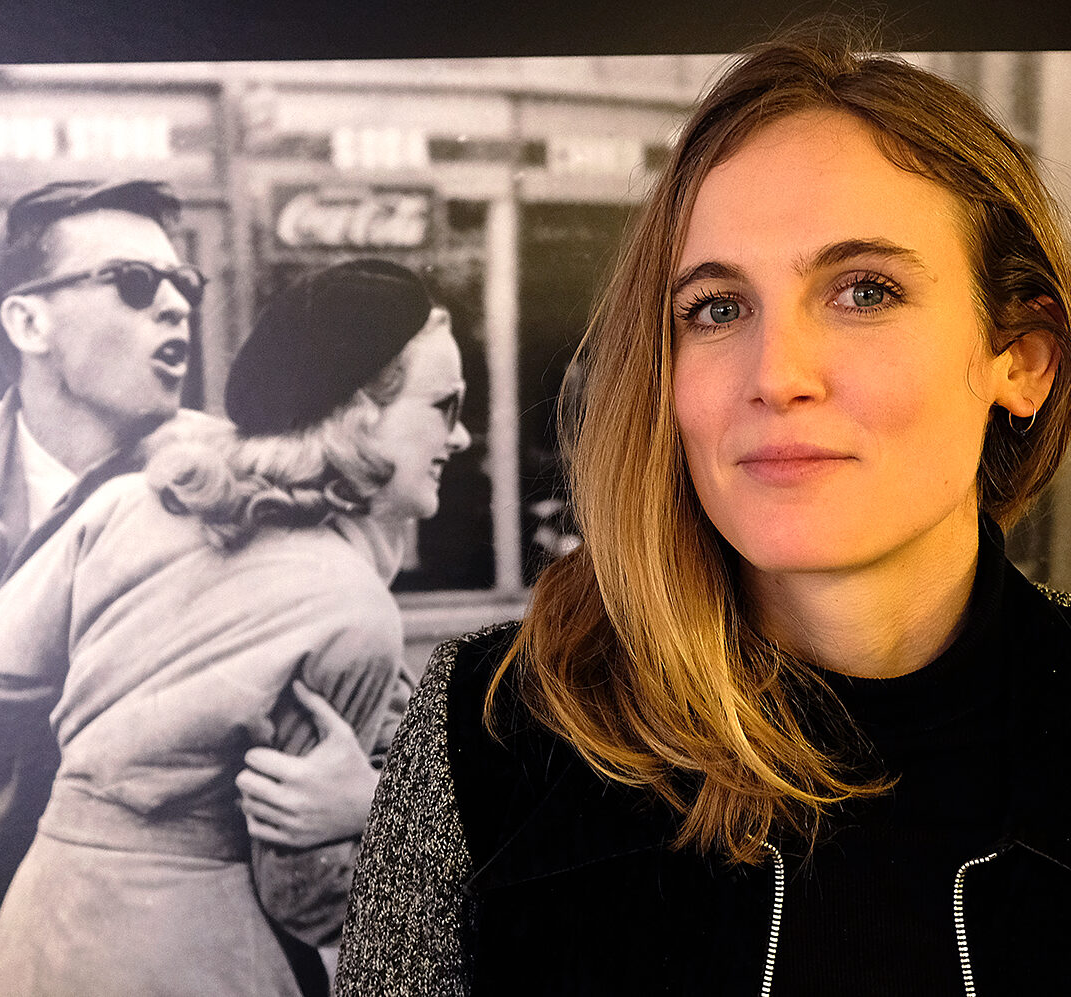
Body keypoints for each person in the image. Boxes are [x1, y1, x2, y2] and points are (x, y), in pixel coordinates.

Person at [337, 30, 1071, 997]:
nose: (777, 375)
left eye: (864, 291)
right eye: (718, 308)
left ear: (1022, 361)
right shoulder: (494, 729)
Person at [0, 179, 365, 996]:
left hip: (155, 963)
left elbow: (367, 698)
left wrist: (364, 797)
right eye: (134, 281)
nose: (176, 305)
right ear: (28, 321)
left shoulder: (249, 486)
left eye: (184, 284)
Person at [0, 259, 471, 996]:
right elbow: (305, 897)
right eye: (444, 406)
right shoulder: (354, 608)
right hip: (200, 956)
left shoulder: (129, 504)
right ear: (358, 412)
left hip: (41, 930)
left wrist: (110, 733)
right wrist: (386, 811)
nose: (462, 436)